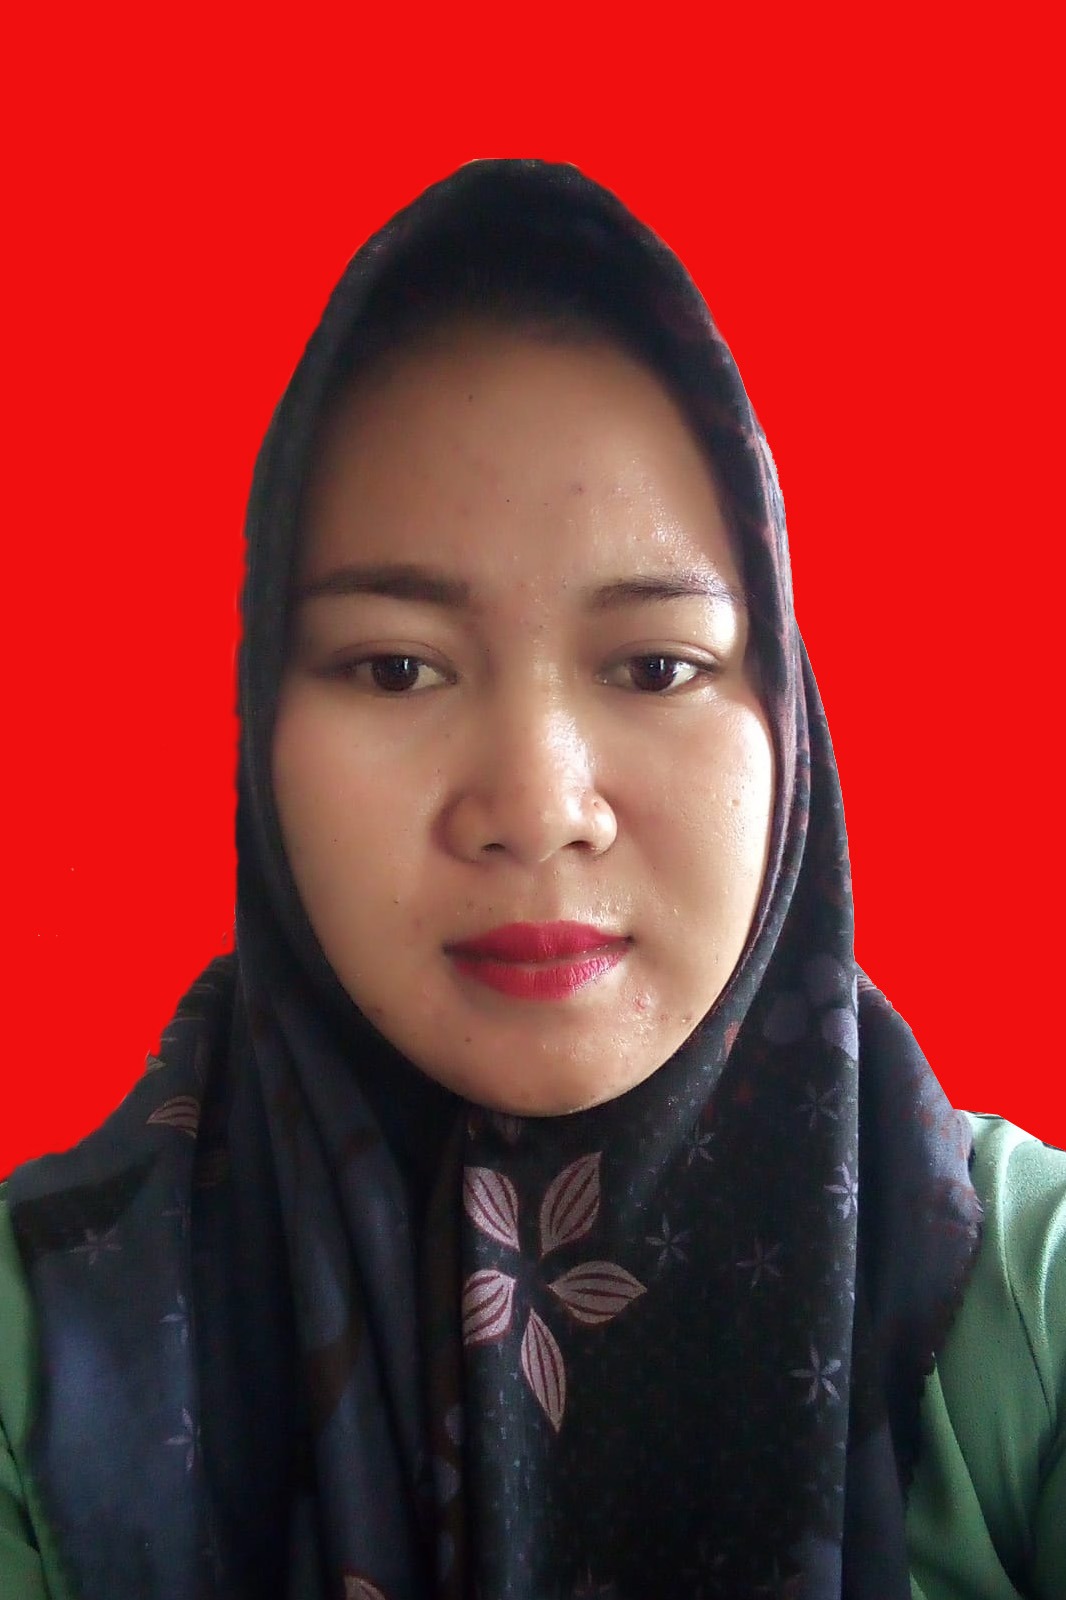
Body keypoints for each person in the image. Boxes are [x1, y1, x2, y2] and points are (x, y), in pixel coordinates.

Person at [0, 159, 1062, 1600]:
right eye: (396, 667)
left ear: (786, 721)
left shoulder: (1025, 1296)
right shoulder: (42, 1355)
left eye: (657, 667)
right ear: (259, 729)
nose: (537, 809)